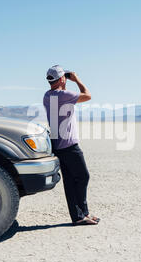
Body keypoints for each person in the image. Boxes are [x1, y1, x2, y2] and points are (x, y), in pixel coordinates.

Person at [43, 65, 100, 225]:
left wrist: (65, 81)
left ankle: (80, 216)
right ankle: (82, 214)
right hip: (69, 146)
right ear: (62, 79)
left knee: (70, 181)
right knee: (83, 176)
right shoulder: (64, 95)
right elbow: (87, 95)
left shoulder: (47, 96)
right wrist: (76, 79)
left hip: (57, 146)